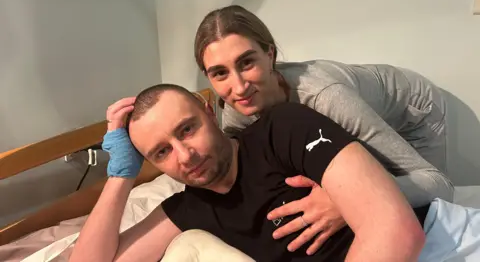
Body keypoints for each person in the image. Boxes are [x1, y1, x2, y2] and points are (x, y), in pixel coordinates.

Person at [70, 84, 480, 262]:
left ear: (208, 110)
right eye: (161, 152)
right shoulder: (188, 209)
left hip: (448, 245)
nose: (185, 155)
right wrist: (121, 174)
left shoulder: (282, 129)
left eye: (187, 129)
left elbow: (398, 232)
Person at [193, 4, 454, 251]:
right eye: (220, 73)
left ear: (269, 54)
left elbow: (438, 184)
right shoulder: (238, 111)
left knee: (432, 212)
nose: (238, 87)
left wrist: (347, 201)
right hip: (355, 100)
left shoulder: (325, 98)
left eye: (247, 63)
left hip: (413, 111)